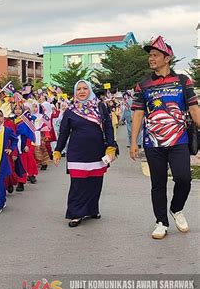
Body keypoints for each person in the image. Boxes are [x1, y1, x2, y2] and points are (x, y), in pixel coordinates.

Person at [130, 36, 200, 239]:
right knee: (158, 183)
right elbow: (138, 114)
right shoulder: (142, 85)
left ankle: (176, 209)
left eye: (155, 55)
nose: (151, 59)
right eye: (150, 55)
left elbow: (194, 110)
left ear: (167, 58)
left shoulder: (183, 81)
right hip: (153, 142)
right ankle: (161, 221)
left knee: (184, 179)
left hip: (179, 140)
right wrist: (134, 142)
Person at [53, 80, 116, 227]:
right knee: (78, 184)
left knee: (95, 183)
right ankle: (76, 213)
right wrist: (57, 150)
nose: (82, 91)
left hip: (97, 151)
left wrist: (111, 146)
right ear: (75, 92)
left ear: (90, 90)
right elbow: (63, 133)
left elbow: (108, 127)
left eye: (85, 88)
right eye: (79, 89)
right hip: (77, 153)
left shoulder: (100, 107)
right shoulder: (70, 110)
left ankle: (92, 209)